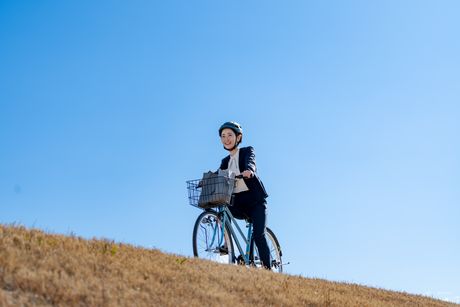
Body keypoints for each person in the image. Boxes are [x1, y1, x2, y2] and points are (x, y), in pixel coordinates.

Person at [218, 121, 271, 269]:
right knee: (222, 206)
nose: (226, 139)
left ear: (238, 137)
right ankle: (226, 244)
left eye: (230, 135)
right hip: (239, 204)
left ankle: (268, 270)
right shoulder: (225, 162)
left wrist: (250, 170)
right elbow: (218, 175)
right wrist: (206, 180)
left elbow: (251, 161)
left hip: (255, 203)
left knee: (258, 235)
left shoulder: (247, 151)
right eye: (223, 136)